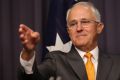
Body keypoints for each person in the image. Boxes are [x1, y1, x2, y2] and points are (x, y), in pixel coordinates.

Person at [17, 1, 120, 80]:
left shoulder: (117, 63)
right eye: (73, 24)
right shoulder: (56, 61)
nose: (79, 28)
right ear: (68, 31)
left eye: (85, 22)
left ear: (99, 27)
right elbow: (31, 78)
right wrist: (28, 52)